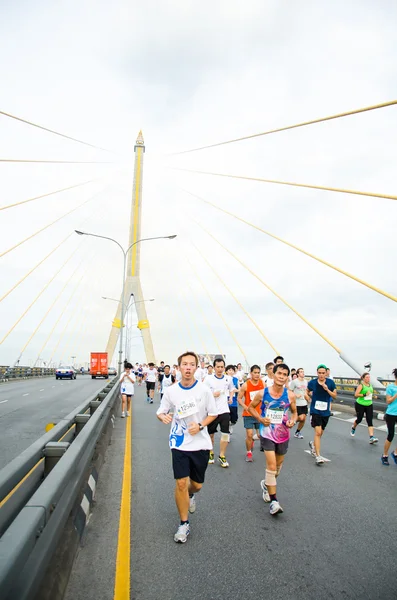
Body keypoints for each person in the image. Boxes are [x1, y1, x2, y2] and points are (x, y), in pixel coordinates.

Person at [156, 351, 217, 543]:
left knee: (196, 485)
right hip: (179, 442)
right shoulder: (171, 391)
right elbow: (161, 410)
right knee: (181, 482)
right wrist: (163, 416)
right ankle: (184, 524)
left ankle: (191, 494)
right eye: (185, 364)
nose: (188, 367)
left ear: (196, 368)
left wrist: (200, 425)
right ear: (179, 367)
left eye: (192, 364)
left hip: (200, 442)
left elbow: (213, 414)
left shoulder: (204, 390)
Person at [247, 363, 297, 516]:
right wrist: (261, 419)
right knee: (271, 464)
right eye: (279, 373)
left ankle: (266, 484)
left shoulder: (290, 395)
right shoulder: (263, 393)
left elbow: (294, 413)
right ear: (273, 374)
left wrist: (292, 421)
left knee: (278, 466)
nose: (281, 377)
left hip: (283, 434)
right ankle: (274, 501)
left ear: (287, 377)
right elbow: (250, 408)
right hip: (267, 433)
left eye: (284, 374)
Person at [204, 357, 235, 467]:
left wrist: (231, 397)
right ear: (214, 367)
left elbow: (232, 389)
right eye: (218, 367)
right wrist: (213, 395)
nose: (220, 369)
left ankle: (222, 455)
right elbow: (203, 394)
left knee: (225, 434)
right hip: (212, 411)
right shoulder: (208, 379)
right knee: (210, 434)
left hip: (224, 410)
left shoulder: (228, 379)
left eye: (222, 367)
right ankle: (211, 452)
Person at [306, 364, 337, 465]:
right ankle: (318, 455)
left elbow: (335, 396)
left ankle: (313, 444)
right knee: (318, 432)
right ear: (317, 373)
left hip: (325, 411)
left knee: (321, 433)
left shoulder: (331, 383)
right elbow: (306, 391)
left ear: (326, 373)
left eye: (323, 373)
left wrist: (327, 389)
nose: (321, 375)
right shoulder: (313, 383)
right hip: (315, 410)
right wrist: (308, 398)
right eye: (319, 373)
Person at [237, 364, 264, 462]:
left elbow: (265, 396)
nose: (257, 375)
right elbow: (239, 398)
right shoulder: (246, 385)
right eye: (255, 373)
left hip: (259, 413)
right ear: (251, 373)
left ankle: (252, 440)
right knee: (249, 434)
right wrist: (245, 407)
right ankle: (249, 452)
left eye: (258, 373)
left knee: (261, 435)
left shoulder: (262, 383)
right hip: (248, 414)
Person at [351, 373, 378, 444]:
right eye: (366, 377)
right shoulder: (361, 385)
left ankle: (371, 437)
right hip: (360, 404)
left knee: (369, 420)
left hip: (369, 404)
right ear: (363, 378)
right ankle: (353, 427)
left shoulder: (371, 386)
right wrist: (364, 394)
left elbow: (370, 394)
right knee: (359, 419)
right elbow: (356, 395)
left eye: (369, 377)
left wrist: (373, 396)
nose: (368, 379)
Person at [381, 368, 397, 466]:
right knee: (390, 435)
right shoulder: (390, 387)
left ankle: (395, 453)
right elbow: (388, 401)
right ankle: (385, 455)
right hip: (391, 414)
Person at [289, 368, 308, 438]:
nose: (302, 373)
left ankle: (297, 432)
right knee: (300, 417)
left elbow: (306, 391)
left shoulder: (306, 381)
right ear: (297, 374)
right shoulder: (294, 382)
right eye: (301, 372)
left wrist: (308, 396)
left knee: (303, 419)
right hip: (297, 403)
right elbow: (289, 391)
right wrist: (295, 395)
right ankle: (289, 423)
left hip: (304, 402)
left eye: (303, 371)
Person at [226, 365, 239, 433]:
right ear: (226, 371)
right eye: (229, 370)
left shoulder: (236, 380)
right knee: (226, 418)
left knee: (234, 419)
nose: (231, 372)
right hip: (225, 401)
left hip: (233, 401)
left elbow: (239, 389)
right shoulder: (224, 379)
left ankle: (230, 425)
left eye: (232, 370)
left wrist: (233, 390)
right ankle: (227, 430)